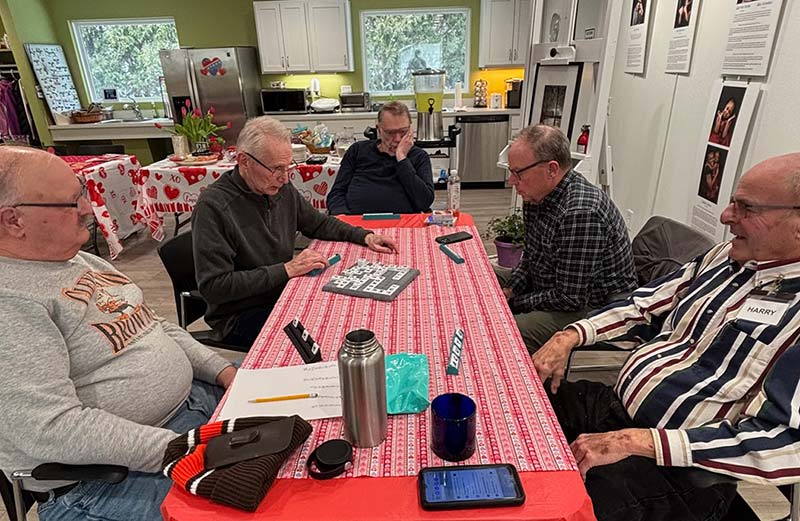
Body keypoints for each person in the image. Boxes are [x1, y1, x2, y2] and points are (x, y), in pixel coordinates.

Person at [532, 152, 800, 521]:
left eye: (746, 207)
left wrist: (640, 441)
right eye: (732, 203)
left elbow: (787, 446)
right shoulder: (725, 258)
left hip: (679, 468)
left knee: (561, 506)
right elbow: (643, 304)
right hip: (617, 411)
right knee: (519, 400)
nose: (726, 216)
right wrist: (570, 335)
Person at [0, 146, 237, 521]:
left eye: (82, 193)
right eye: (70, 202)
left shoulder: (80, 259)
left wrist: (225, 372)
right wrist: (183, 448)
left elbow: (154, 325)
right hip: (108, 480)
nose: (88, 209)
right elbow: (50, 429)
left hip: (190, 413)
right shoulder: (10, 301)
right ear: (14, 220)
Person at [193, 116, 399, 349]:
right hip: (241, 314)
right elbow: (215, 287)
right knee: (327, 337)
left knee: (348, 311)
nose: (284, 177)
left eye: (288, 167)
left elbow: (318, 223)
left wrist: (364, 236)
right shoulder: (214, 207)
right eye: (276, 169)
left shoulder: (278, 187)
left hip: (283, 292)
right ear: (244, 161)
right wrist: (286, 270)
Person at [498, 124, 637, 354]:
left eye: (518, 173)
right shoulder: (537, 194)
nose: (512, 181)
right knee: (486, 278)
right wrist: (511, 289)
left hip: (592, 309)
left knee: (503, 331)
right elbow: (531, 257)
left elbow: (569, 299)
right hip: (555, 287)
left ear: (551, 169)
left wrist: (513, 303)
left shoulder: (580, 212)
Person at [327, 101, 434, 215]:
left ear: (410, 129)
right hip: (355, 221)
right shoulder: (357, 150)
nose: (397, 139)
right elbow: (337, 193)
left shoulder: (419, 156)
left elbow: (424, 202)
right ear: (379, 129)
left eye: (403, 132)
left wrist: (402, 158)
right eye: (390, 133)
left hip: (403, 222)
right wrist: (342, 215)